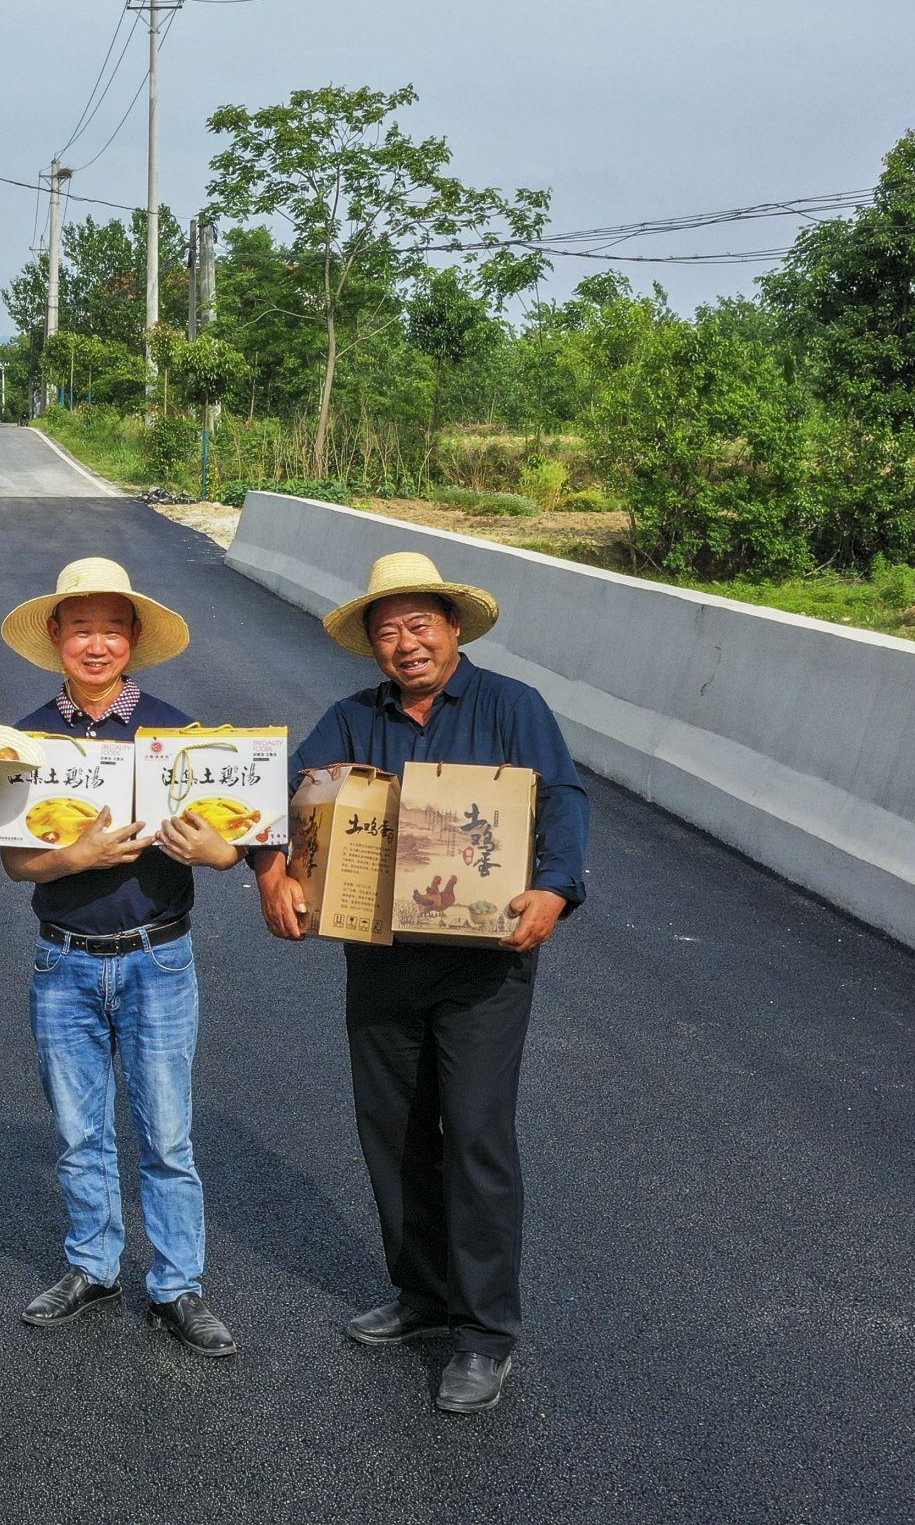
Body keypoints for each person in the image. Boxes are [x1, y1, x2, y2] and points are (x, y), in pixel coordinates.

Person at [252, 550, 588, 1415]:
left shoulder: (515, 708)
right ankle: (423, 1295)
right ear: (372, 644)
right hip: (383, 957)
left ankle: (483, 1333)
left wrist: (555, 886)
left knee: (475, 1135)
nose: (406, 643)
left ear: (452, 628)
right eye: (388, 629)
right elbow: (289, 799)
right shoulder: (352, 719)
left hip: (485, 964)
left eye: (420, 624)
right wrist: (273, 868)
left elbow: (565, 802)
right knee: (394, 1131)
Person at [0, 558, 244, 1359]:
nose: (95, 644)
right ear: (56, 638)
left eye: (111, 628)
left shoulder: (178, 733)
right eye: (80, 628)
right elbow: (16, 864)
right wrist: (81, 856)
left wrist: (221, 853)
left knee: (167, 1134)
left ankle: (178, 1285)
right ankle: (93, 1266)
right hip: (62, 962)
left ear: (133, 639)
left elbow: (228, 846)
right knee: (79, 1132)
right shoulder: (28, 740)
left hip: (157, 958)